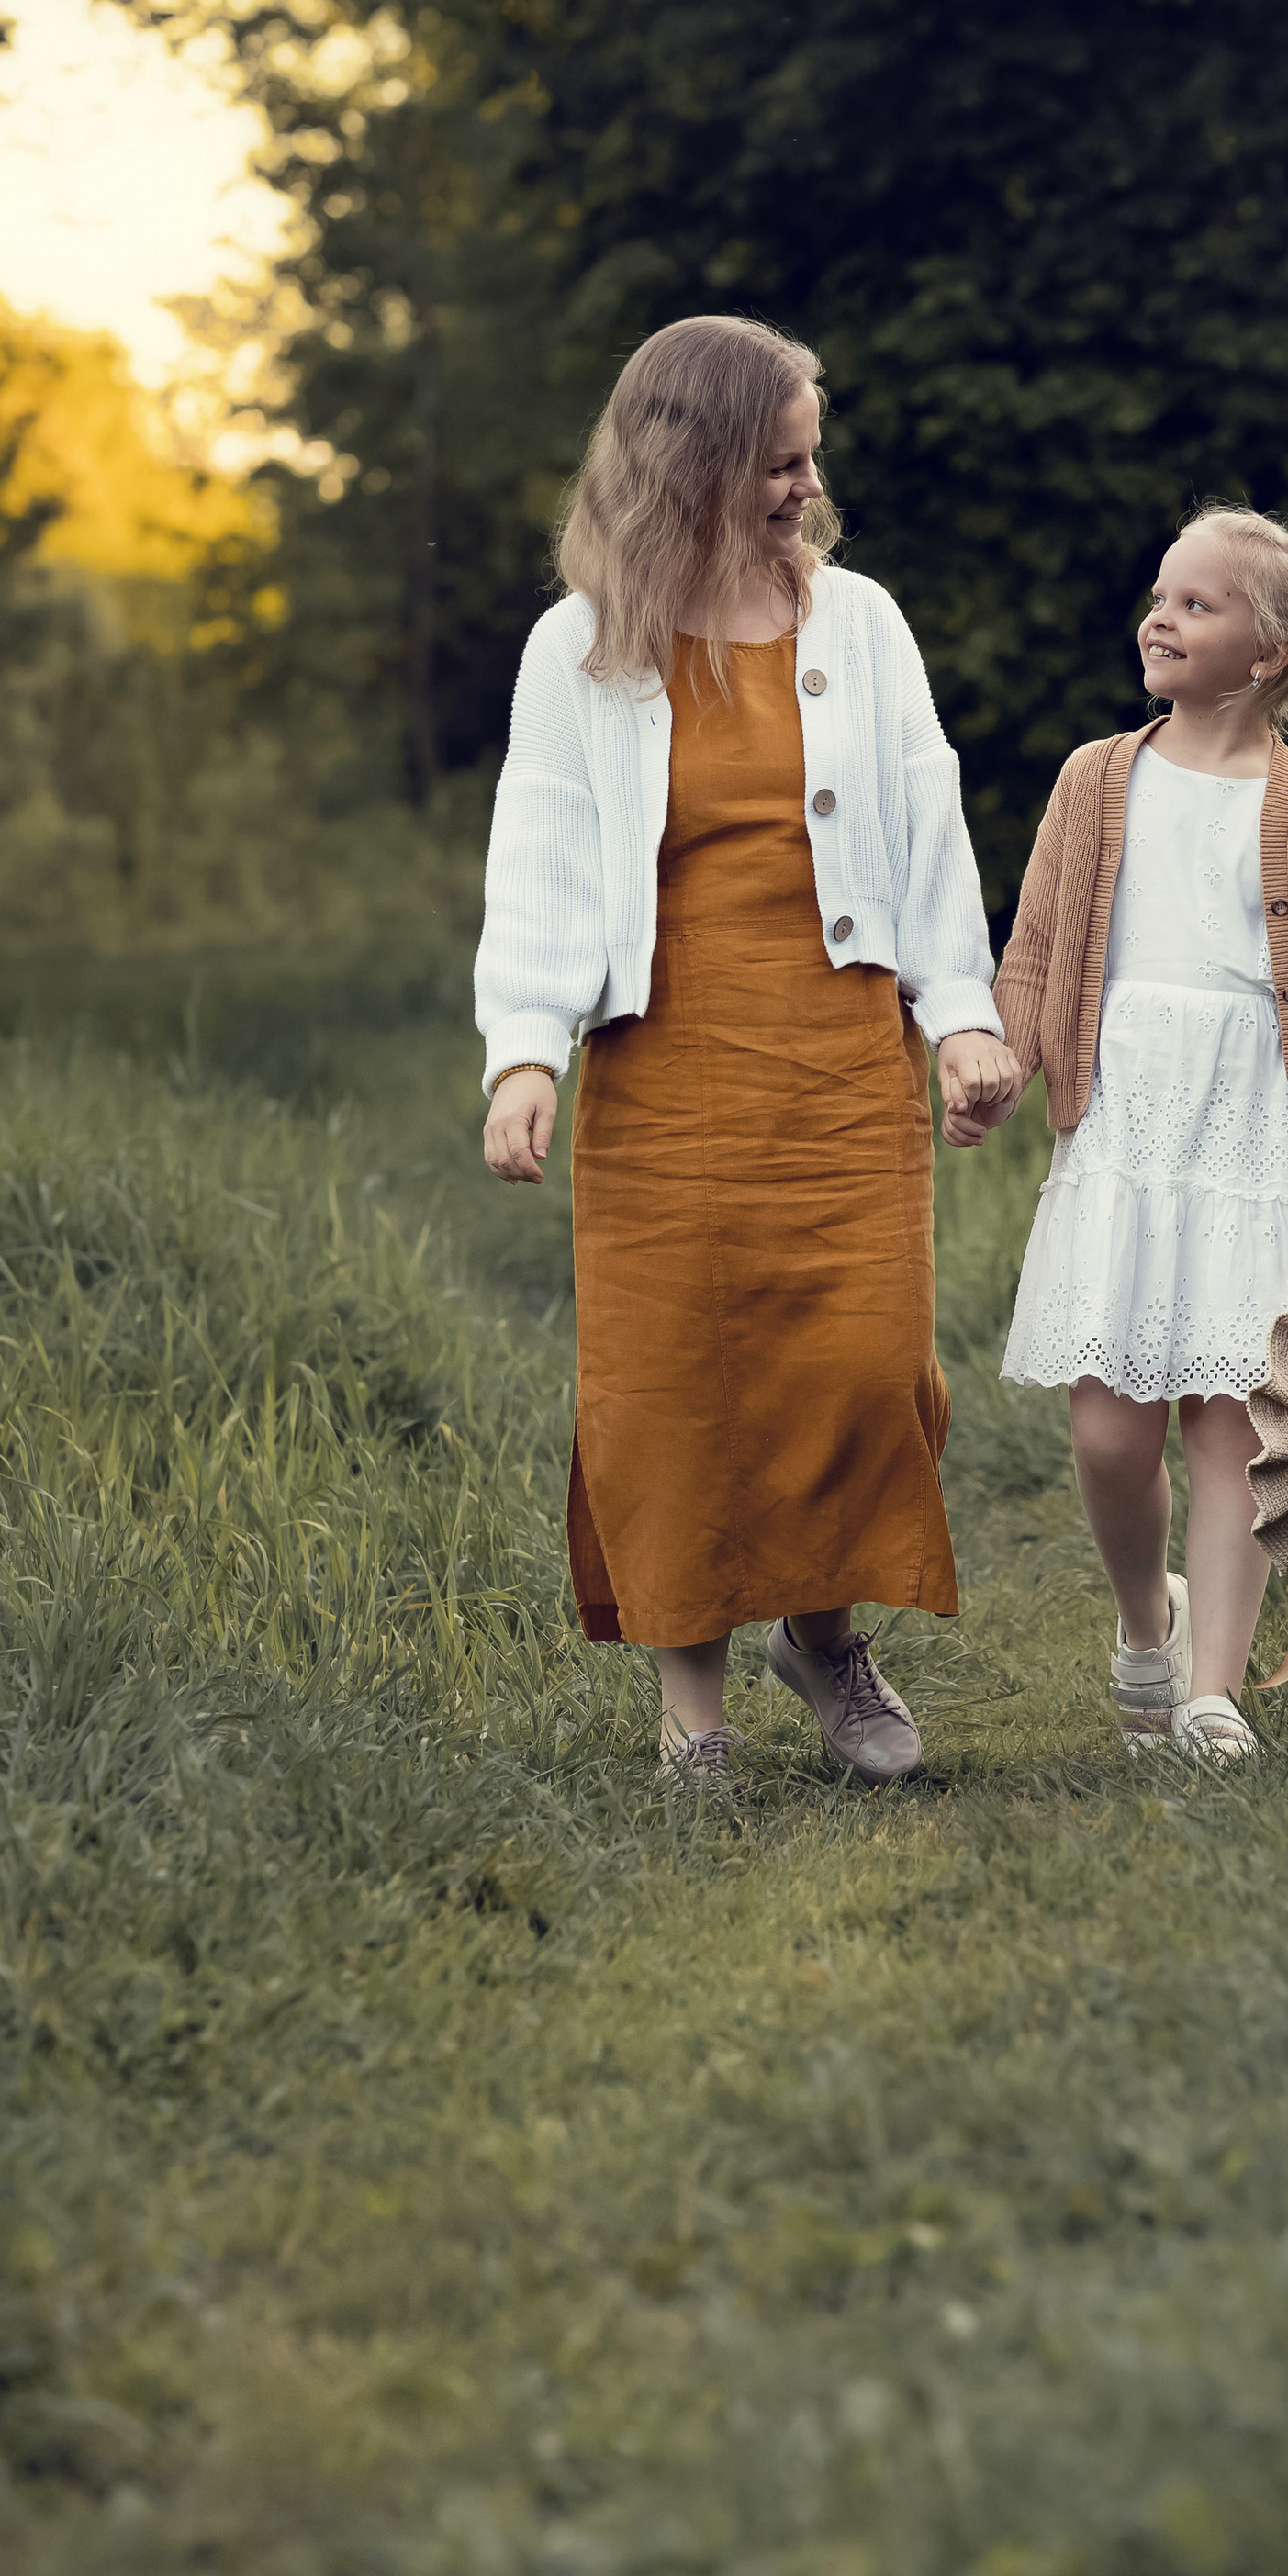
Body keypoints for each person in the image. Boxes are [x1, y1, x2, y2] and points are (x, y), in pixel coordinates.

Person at [476, 314, 1020, 1782]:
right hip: (665, 1070)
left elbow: (925, 829)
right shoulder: (580, 645)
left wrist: (960, 1016)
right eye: (778, 464)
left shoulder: (861, 626)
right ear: (695, 464)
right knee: (674, 1384)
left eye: (809, 460)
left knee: (863, 1368)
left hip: (838, 1058)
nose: (804, 488)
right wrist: (525, 1048)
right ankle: (691, 1717)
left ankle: (824, 1635)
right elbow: (540, 844)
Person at [966, 503, 1288, 1764]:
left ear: (1266, 651)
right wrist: (1002, 1056)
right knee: (1112, 1430)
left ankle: (1211, 1693)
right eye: (1159, 595)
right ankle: (1143, 1621)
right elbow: (1041, 945)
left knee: (1233, 1425)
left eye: (1196, 603)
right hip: (1129, 1128)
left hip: (1260, 1139)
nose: (1159, 616)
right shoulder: (1097, 778)